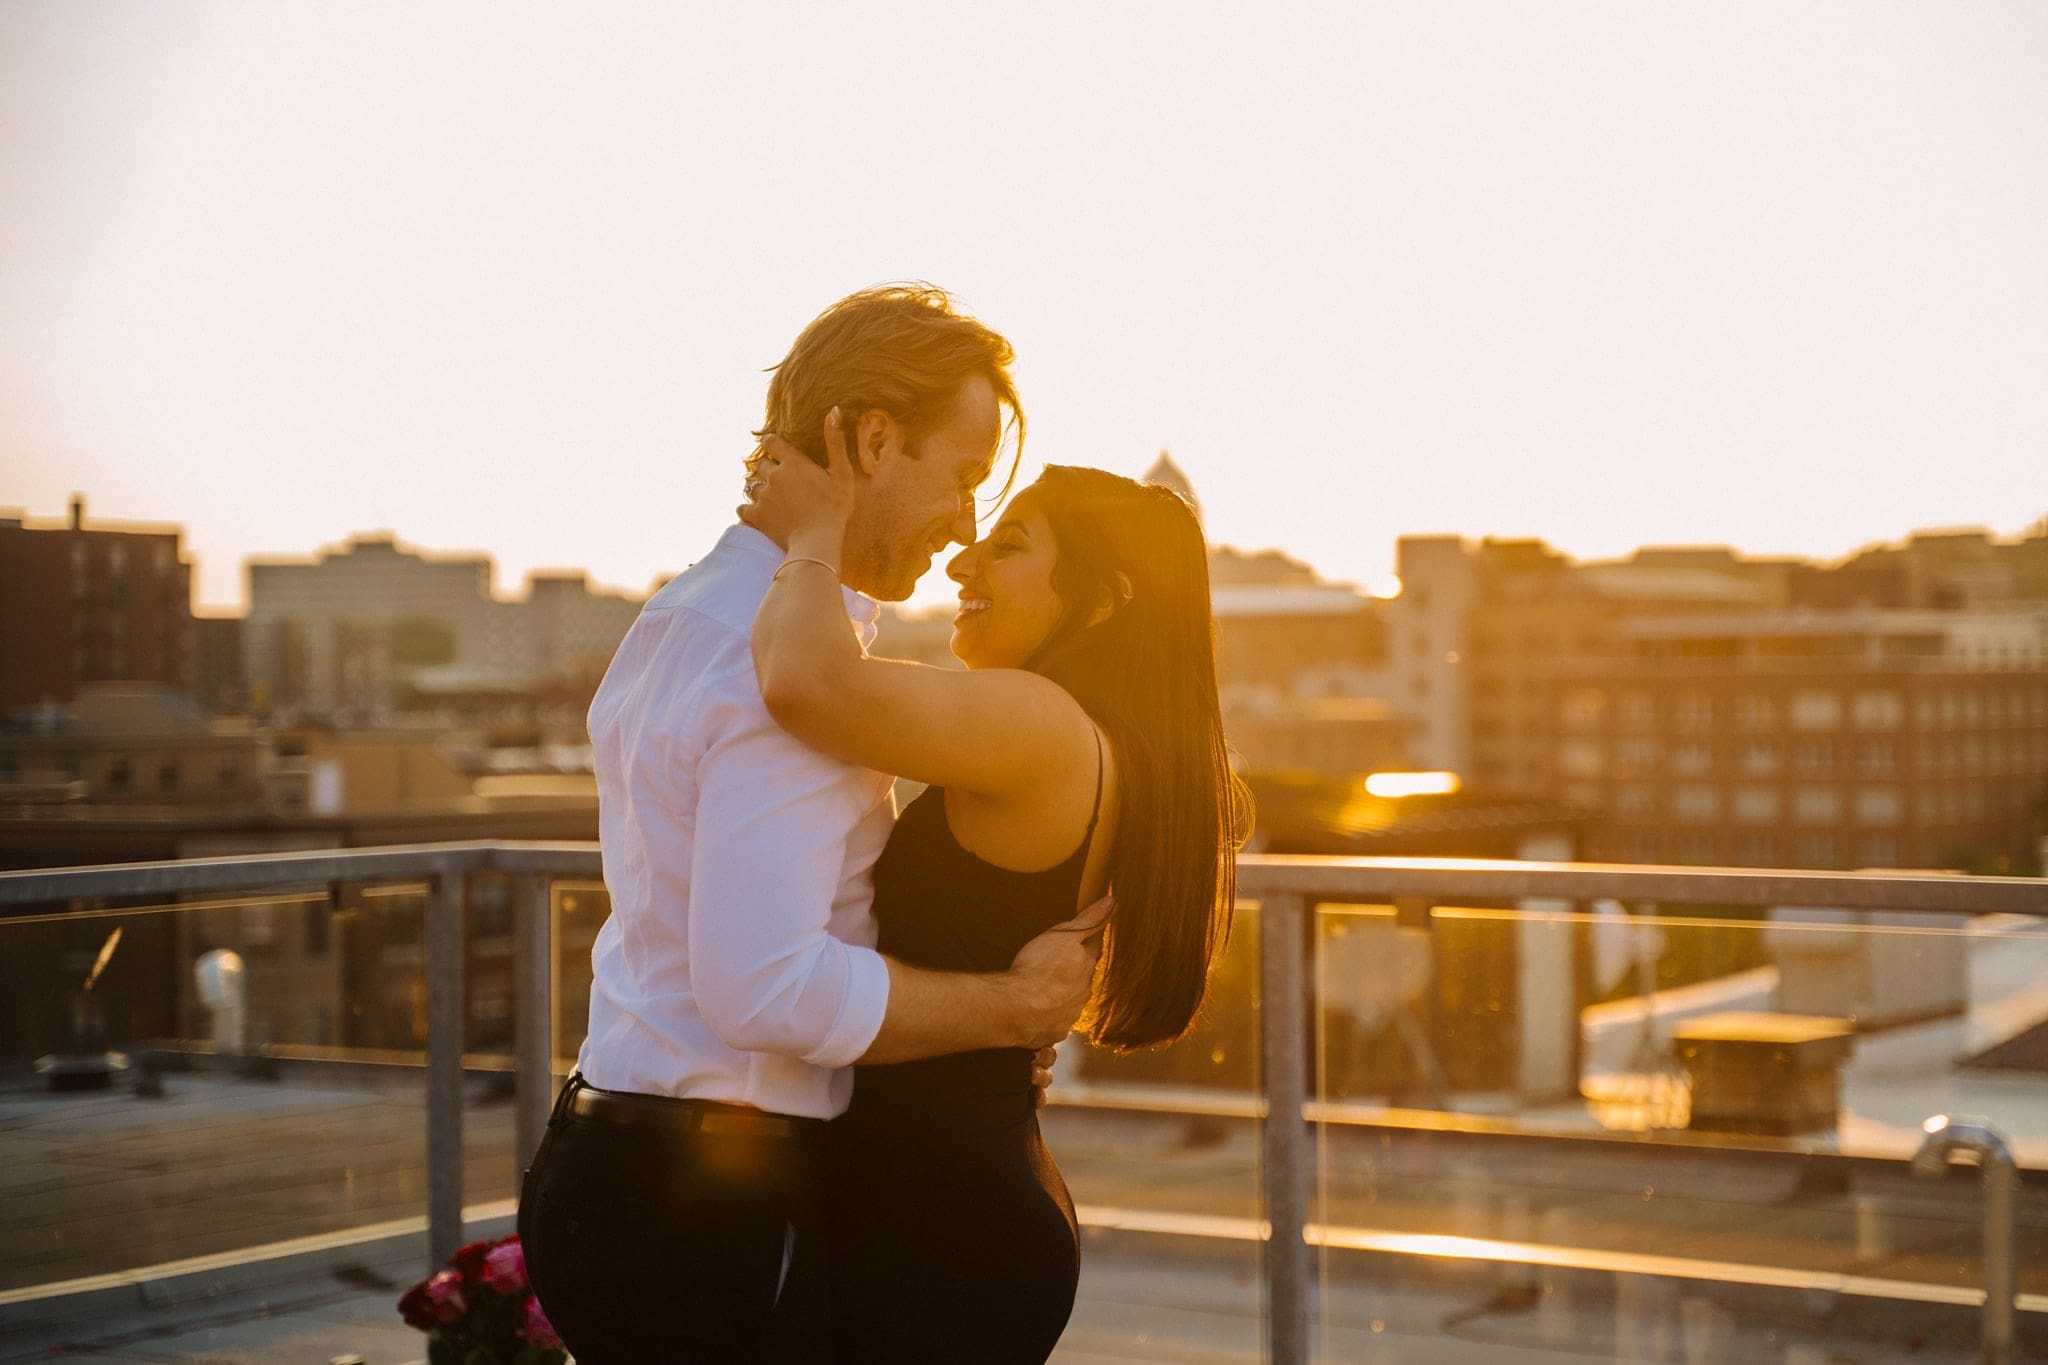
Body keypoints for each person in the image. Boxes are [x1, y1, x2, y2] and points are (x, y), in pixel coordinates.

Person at [516, 285, 1111, 1364]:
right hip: (710, 1210)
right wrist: (1007, 1008)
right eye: (963, 476)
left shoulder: (685, 610)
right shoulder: (773, 663)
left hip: (625, 1160)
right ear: (875, 442)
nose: (966, 524)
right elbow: (766, 986)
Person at [744, 411, 1252, 1362]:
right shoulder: (1094, 738)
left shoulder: (1040, 722)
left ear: (1102, 602)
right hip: (959, 1202)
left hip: (936, 1227)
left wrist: (815, 532)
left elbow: (806, 681)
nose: (962, 564)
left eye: (1008, 547)